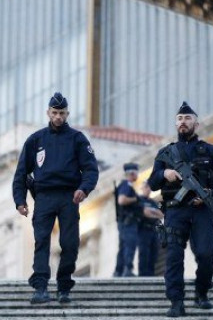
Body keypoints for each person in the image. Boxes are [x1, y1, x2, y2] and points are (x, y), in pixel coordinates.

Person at [147, 101, 213, 318]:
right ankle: (176, 301)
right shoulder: (166, 152)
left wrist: (210, 194)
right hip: (175, 211)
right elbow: (152, 182)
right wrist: (163, 174)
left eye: (187, 118)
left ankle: (201, 292)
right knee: (174, 258)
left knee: (206, 254)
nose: (183, 122)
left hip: (202, 210)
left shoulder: (210, 151)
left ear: (196, 122)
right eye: (179, 119)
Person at [12, 92, 99, 304]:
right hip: (44, 197)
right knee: (41, 241)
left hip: (70, 197)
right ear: (48, 113)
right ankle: (40, 287)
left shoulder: (77, 139)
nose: (58, 116)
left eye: (62, 113)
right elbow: (21, 173)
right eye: (54, 113)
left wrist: (84, 189)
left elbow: (91, 170)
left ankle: (63, 286)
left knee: (69, 243)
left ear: (67, 113)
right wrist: (20, 200)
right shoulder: (35, 140)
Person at [113, 163, 141, 277]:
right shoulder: (126, 185)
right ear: (132, 173)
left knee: (123, 246)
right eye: (136, 172)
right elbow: (121, 200)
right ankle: (127, 269)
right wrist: (136, 199)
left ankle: (118, 271)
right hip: (128, 222)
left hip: (124, 221)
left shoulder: (125, 185)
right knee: (130, 244)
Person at [137, 182, 164, 277]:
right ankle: (143, 275)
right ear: (142, 189)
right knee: (144, 253)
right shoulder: (139, 200)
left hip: (153, 230)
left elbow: (160, 214)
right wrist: (154, 213)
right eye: (146, 187)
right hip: (143, 230)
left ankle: (151, 274)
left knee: (154, 253)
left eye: (149, 187)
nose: (148, 189)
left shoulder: (153, 202)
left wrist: (152, 212)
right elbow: (145, 213)